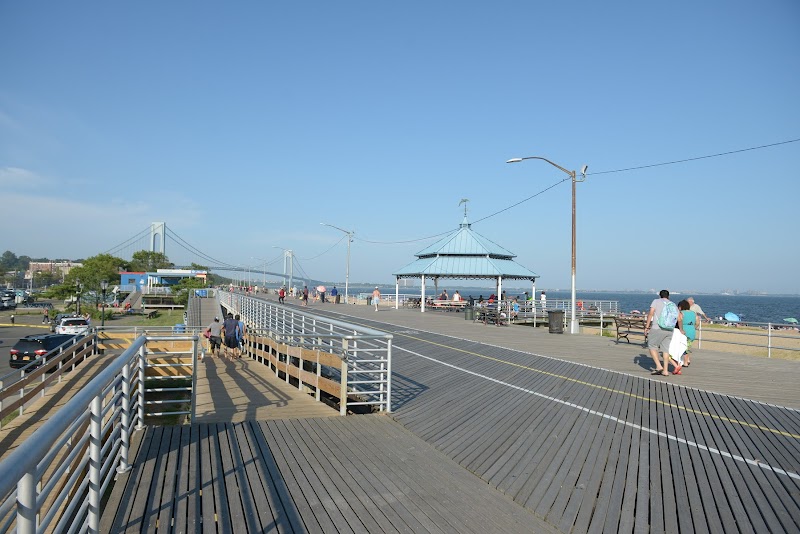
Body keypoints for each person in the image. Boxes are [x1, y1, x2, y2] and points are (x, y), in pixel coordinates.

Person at [644, 289, 681, 376]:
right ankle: (665, 370)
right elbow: (679, 318)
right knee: (665, 349)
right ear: (668, 296)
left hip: (657, 327)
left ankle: (658, 366)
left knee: (652, 346)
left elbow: (651, 313)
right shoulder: (673, 305)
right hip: (669, 329)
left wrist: (647, 326)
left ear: (660, 295)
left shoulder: (656, 301)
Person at [678, 299, 697, 366]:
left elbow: (679, 320)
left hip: (684, 329)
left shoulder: (681, 313)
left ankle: (683, 361)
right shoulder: (693, 313)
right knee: (688, 346)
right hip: (692, 329)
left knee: (682, 346)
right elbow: (697, 322)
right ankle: (687, 360)